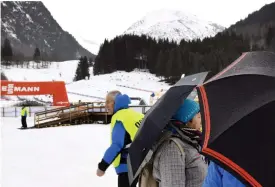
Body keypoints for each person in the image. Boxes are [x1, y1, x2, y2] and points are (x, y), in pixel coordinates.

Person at [139, 99, 208, 187]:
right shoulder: (171, 148)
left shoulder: (191, 141)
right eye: (198, 117)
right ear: (188, 120)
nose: (201, 121)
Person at [96, 90, 144, 187]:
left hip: (126, 166)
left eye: (108, 102)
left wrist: (102, 166)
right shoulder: (135, 114)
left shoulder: (119, 117)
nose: (106, 105)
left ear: (115, 102)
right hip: (140, 163)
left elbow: (117, 145)